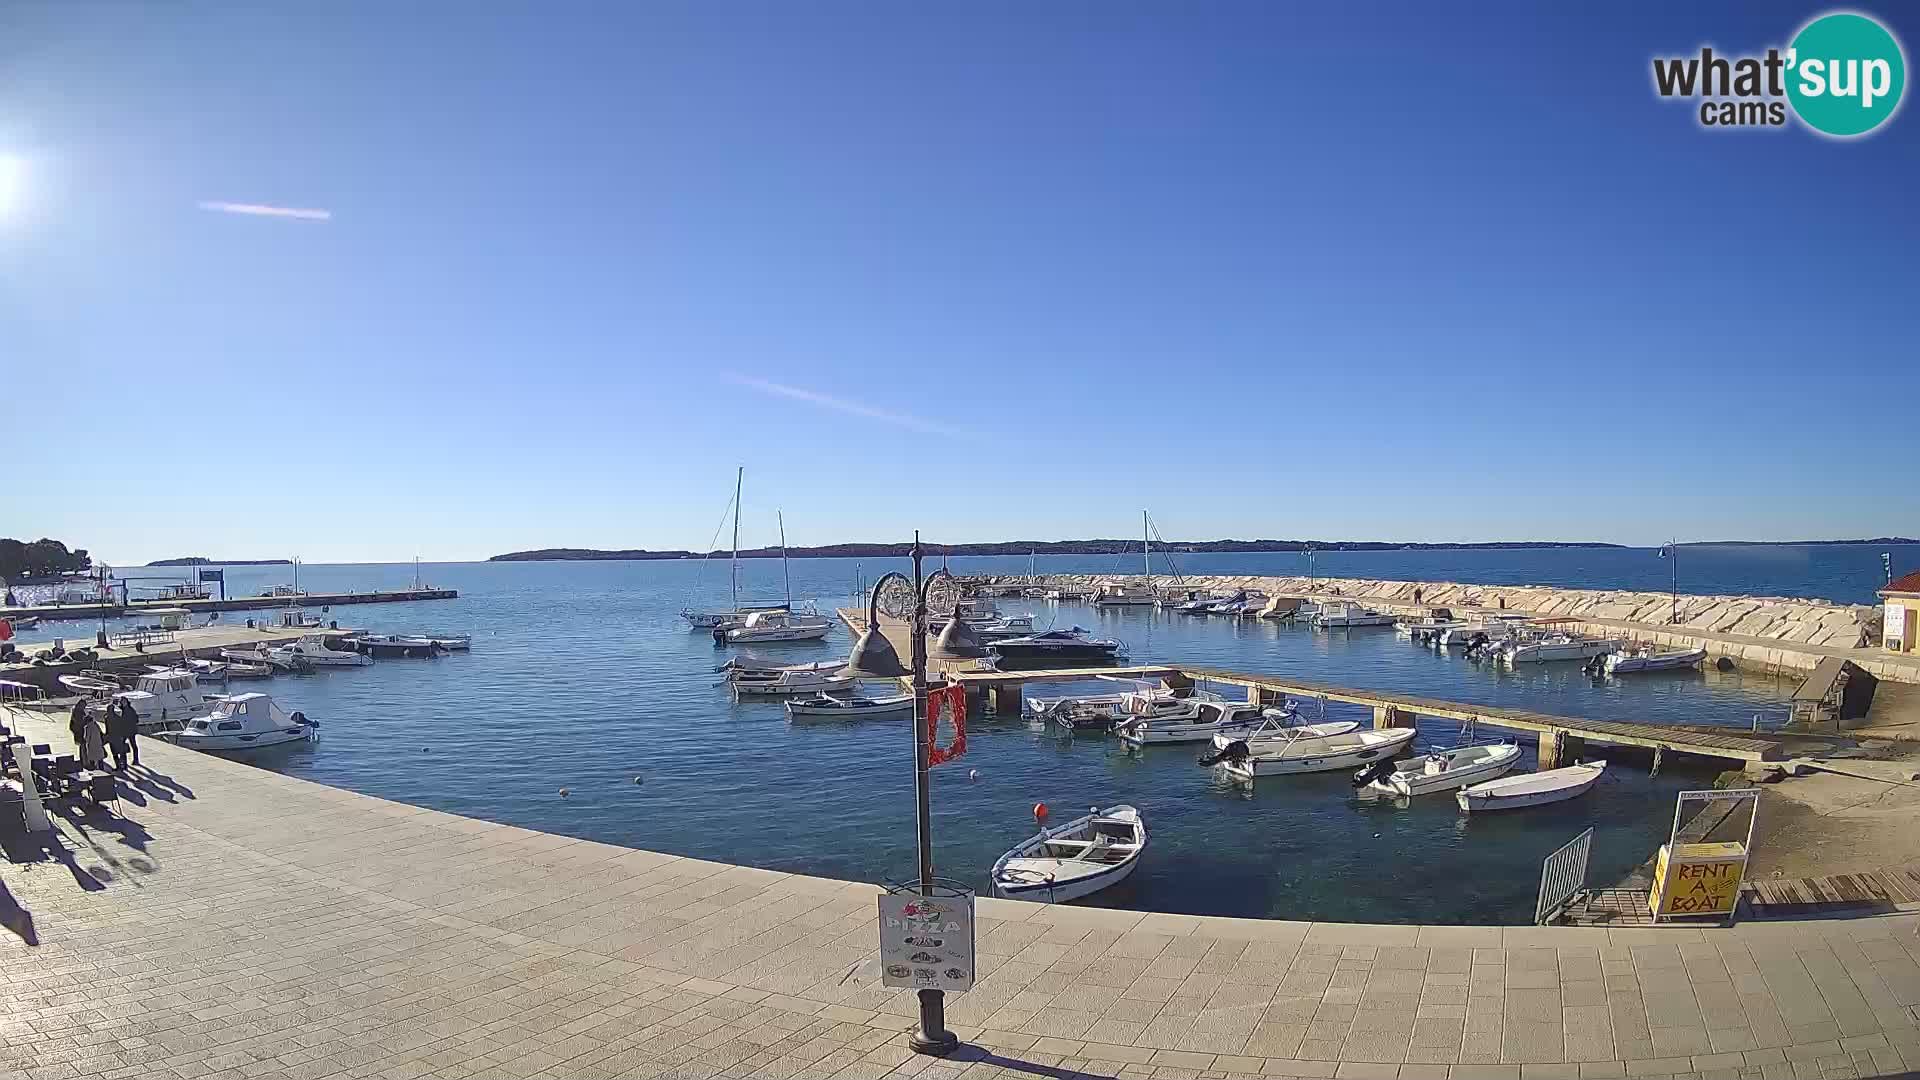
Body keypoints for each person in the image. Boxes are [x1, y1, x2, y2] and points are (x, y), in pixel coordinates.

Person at [105, 699, 133, 771]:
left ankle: (118, 766)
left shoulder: (107, 718)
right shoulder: (118, 718)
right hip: (119, 737)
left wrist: (106, 737)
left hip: (112, 738)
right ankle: (125, 766)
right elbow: (122, 727)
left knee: (115, 753)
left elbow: (107, 730)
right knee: (122, 752)